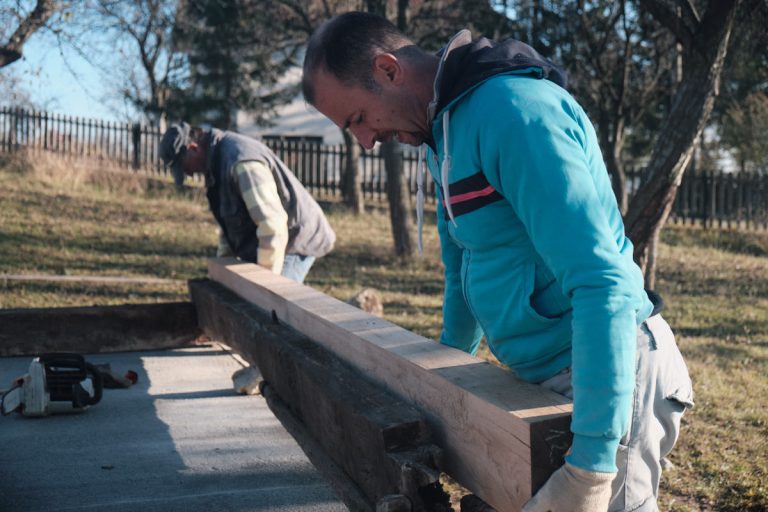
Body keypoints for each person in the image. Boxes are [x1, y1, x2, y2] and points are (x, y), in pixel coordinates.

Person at [302, 12, 693, 512]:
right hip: (540, 376)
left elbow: (602, 283)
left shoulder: (514, 113)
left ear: (387, 70)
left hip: (611, 375)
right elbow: (463, 261)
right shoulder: (441, 135)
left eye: (357, 118)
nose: (364, 140)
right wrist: (445, 373)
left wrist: (592, 465)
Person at [159, 123, 335, 283]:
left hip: (296, 237)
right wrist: (223, 267)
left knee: (272, 307)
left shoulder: (241, 162)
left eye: (184, 167)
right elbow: (230, 219)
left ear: (193, 148)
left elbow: (272, 224)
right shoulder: (216, 164)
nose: (188, 174)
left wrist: (266, 284)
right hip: (273, 235)